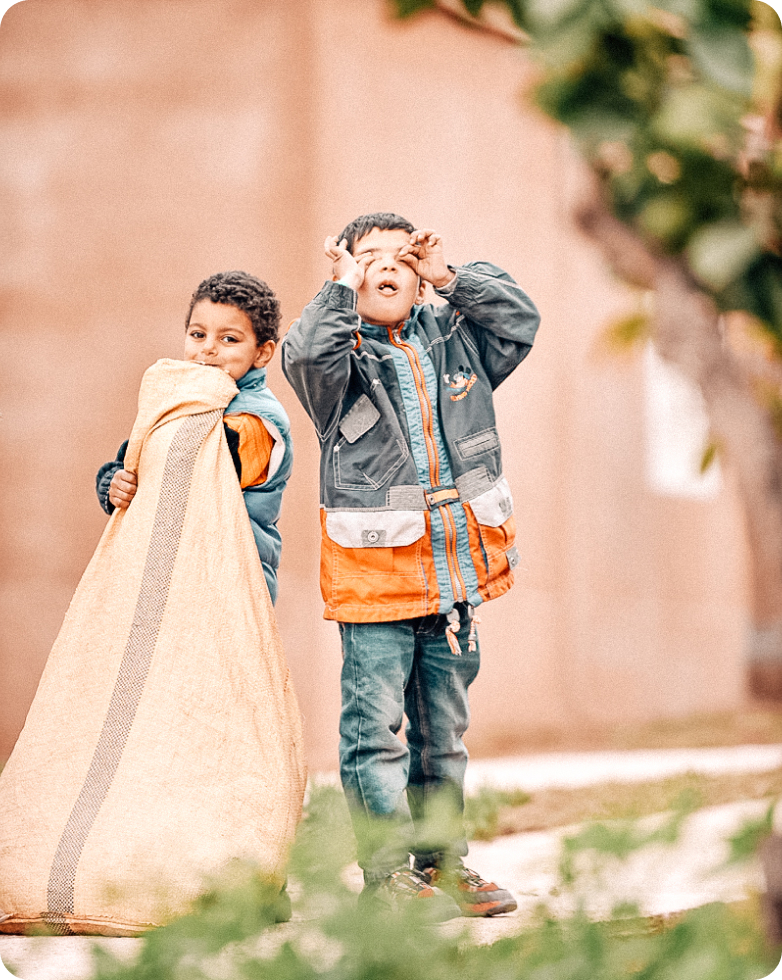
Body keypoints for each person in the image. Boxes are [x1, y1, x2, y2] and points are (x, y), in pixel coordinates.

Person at [281, 212, 540, 919]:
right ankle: (388, 876)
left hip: (453, 577)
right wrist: (339, 290)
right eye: (371, 258)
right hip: (375, 582)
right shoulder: (337, 361)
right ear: (346, 272)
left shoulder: (456, 338)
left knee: (443, 737)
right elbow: (304, 354)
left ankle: (443, 865)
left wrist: (451, 278)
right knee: (374, 733)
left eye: (404, 256)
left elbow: (519, 320)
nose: (389, 266)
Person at [96, 270, 292, 604]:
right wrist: (115, 483)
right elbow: (135, 458)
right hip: (179, 575)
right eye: (198, 334)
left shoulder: (258, 419)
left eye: (229, 339)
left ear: (262, 352)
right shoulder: (188, 400)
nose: (208, 349)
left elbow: (191, 471)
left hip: (233, 583)